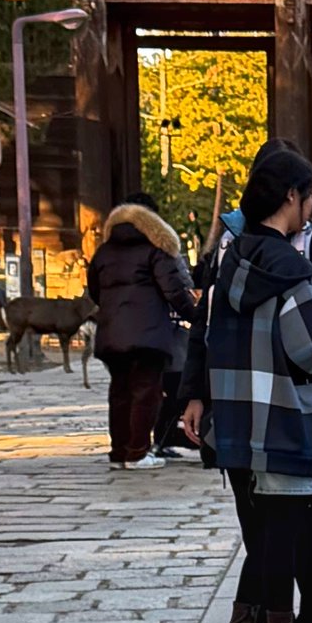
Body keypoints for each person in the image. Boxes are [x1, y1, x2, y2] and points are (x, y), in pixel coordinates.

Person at [179, 140, 312, 623]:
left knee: (267, 531)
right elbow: (309, 349)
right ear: (293, 197)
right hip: (287, 418)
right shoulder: (292, 270)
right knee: (283, 532)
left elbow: (206, 333)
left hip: (238, 417)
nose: (311, 210)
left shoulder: (232, 258)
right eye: (310, 199)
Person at [87, 199, 195, 469]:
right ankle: (137, 451)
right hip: (148, 334)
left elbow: (94, 291)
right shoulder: (154, 252)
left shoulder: (103, 253)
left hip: (112, 334)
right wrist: (196, 316)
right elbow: (174, 290)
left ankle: (119, 452)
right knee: (146, 391)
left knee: (120, 391)